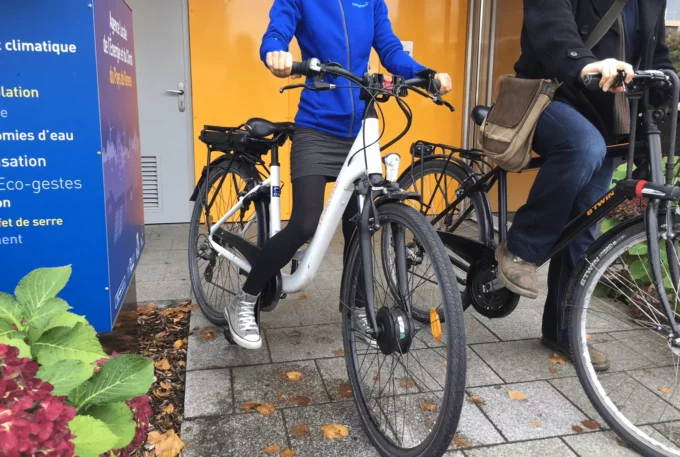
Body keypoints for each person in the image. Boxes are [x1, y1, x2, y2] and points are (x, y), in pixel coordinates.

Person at [225, 0, 453, 349]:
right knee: (304, 223)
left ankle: (356, 309)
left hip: (360, 131)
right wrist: (276, 53)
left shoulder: (371, 2)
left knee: (360, 224)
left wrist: (427, 74)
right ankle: (245, 299)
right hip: (316, 128)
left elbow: (390, 49)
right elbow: (277, 31)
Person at [495, 0, 675, 371]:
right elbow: (550, 25)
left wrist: (671, 86)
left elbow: (655, 52)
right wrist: (585, 63)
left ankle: (563, 330)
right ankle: (520, 248)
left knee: (584, 226)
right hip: (550, 96)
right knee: (583, 146)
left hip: (606, 115)